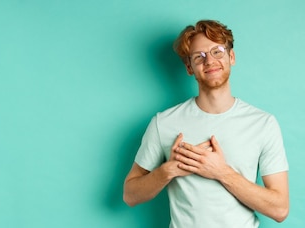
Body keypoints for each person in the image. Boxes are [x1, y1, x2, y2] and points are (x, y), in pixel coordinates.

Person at [123, 19, 289, 228]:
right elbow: (130, 195)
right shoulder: (163, 123)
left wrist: (221, 172)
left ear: (231, 57)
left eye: (217, 51)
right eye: (198, 57)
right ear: (189, 67)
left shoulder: (263, 123)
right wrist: (169, 170)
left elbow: (280, 209)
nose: (209, 61)